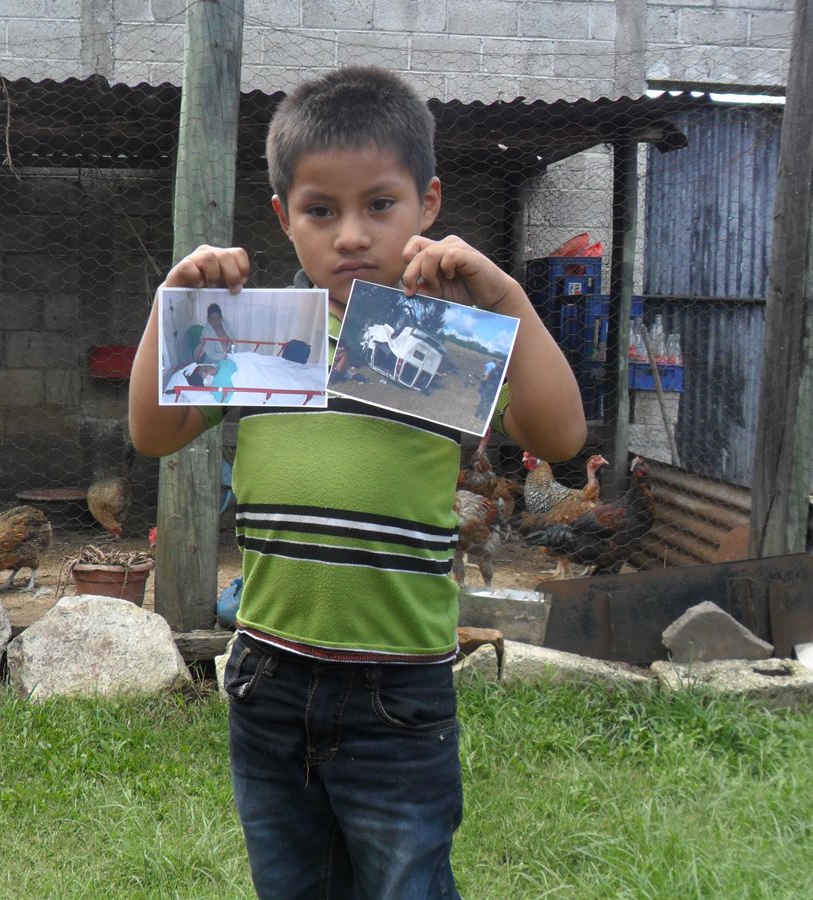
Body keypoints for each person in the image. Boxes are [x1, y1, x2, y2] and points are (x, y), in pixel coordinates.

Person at [129, 65, 585, 898]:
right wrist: (171, 305)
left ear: (429, 205)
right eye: (321, 211)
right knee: (291, 883)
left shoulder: (444, 339)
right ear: (284, 218)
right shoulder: (256, 335)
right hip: (268, 677)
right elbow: (153, 433)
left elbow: (560, 434)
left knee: (407, 882)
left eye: (380, 205)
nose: (350, 234)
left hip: (397, 692)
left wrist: (509, 296)